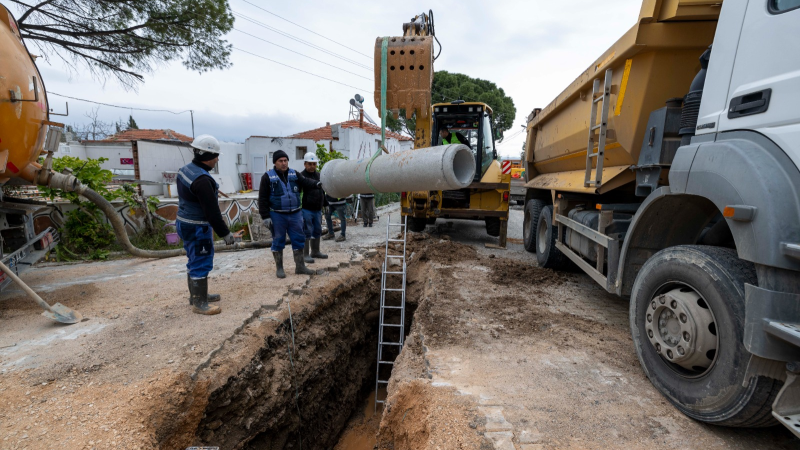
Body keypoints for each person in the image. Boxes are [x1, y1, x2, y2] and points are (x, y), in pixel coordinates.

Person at [176, 134, 241, 315]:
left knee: (193, 259)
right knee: (201, 262)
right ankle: (200, 304)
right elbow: (212, 213)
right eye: (215, 155)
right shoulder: (203, 180)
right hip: (197, 228)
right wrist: (226, 234)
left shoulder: (185, 170)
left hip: (183, 222)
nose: (217, 159)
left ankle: (197, 295)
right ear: (206, 156)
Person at [258, 150, 321, 278]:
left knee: (299, 239)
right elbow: (262, 198)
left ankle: (300, 266)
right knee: (278, 240)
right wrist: (265, 216)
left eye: (285, 160)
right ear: (275, 163)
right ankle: (280, 268)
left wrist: (317, 184)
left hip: (295, 214)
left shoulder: (294, 174)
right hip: (277, 215)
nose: (283, 163)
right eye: (280, 161)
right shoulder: (267, 177)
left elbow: (306, 182)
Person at [300, 152, 328, 263]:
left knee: (317, 230)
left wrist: (326, 204)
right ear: (305, 164)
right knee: (307, 231)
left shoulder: (319, 176)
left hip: (317, 209)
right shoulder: (301, 177)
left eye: (314, 164)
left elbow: (322, 192)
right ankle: (305, 254)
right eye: (310, 164)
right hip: (306, 209)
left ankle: (315, 251)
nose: (312, 166)